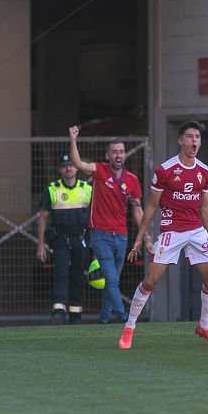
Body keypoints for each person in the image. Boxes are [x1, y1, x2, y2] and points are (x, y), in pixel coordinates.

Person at [123, 121, 208, 349]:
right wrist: (140, 238)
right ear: (181, 141)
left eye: (197, 137)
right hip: (171, 230)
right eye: (189, 137)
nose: (194, 141)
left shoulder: (204, 170)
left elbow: (205, 207)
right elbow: (151, 206)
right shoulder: (165, 170)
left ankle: (205, 326)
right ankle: (129, 327)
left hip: (197, 230)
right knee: (151, 281)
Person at [68, 128, 144, 326]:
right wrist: (73, 139)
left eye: (121, 151)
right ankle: (124, 318)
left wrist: (145, 236)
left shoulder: (132, 180)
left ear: (124, 154)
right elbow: (78, 164)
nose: (118, 155)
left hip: (122, 236)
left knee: (113, 280)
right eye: (114, 152)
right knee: (111, 279)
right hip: (100, 235)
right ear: (107, 155)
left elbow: (137, 209)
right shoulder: (100, 170)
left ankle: (103, 319)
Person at [36, 155, 92, 325]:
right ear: (59, 170)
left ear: (76, 168)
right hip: (61, 239)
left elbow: (94, 216)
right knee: (60, 274)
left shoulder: (87, 188)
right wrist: (40, 245)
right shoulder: (52, 189)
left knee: (77, 276)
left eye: (71, 165)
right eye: (64, 166)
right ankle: (59, 310)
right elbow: (43, 218)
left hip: (81, 239)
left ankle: (75, 313)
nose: (68, 168)